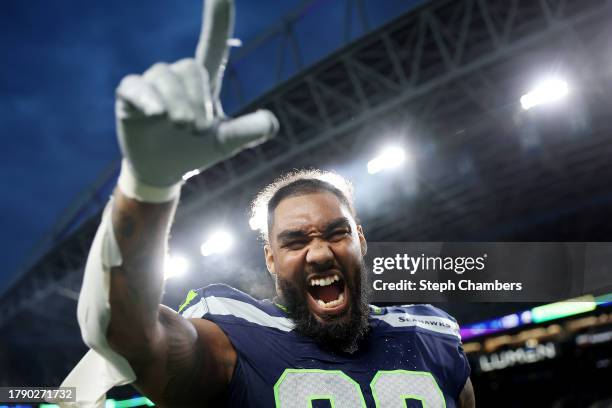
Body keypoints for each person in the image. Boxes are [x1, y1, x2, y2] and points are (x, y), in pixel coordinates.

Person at [63, 0, 474, 407]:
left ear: (360, 241)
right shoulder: (233, 338)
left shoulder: (431, 336)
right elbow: (125, 330)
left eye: (336, 233)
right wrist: (148, 188)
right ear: (271, 259)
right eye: (295, 241)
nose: (318, 252)